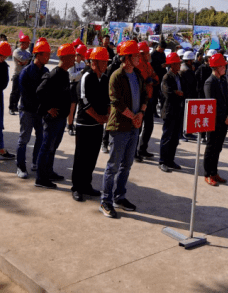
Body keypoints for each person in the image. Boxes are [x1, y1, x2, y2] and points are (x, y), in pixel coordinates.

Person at [100, 40, 145, 218]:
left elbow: (145, 96)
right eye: (135, 55)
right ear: (126, 58)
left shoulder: (138, 75)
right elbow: (116, 101)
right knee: (113, 166)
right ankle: (106, 201)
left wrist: (141, 113)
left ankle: (120, 196)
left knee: (127, 165)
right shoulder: (116, 76)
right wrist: (133, 116)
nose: (138, 58)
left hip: (134, 126)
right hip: (120, 126)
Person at [71, 46, 111, 201]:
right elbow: (84, 102)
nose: (105, 65)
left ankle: (86, 185)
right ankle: (76, 187)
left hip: (98, 126)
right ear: (94, 63)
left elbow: (108, 100)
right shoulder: (86, 77)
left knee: (92, 157)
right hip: (84, 125)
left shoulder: (105, 78)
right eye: (103, 62)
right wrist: (98, 118)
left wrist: (106, 115)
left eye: (106, 62)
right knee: (81, 157)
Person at [34, 43, 75, 188]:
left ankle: (48, 172)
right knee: (46, 147)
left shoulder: (64, 74)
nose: (75, 60)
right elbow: (40, 91)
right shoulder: (54, 74)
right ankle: (41, 178)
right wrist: (48, 108)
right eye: (73, 57)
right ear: (65, 58)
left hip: (60, 118)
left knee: (52, 147)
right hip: (52, 119)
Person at [15, 38, 51, 179]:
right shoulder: (26, 72)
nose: (48, 57)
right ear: (37, 55)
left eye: (48, 54)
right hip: (27, 110)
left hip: (40, 112)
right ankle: (20, 166)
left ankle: (36, 162)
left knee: (41, 137)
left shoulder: (46, 71)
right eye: (45, 55)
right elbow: (26, 95)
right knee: (24, 138)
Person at [202, 53, 228, 185]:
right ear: (217, 67)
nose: (225, 68)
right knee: (211, 148)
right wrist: (223, 117)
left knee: (218, 148)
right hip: (214, 121)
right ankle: (207, 174)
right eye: (223, 66)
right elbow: (212, 104)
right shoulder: (210, 82)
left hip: (223, 121)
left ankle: (214, 172)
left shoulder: (223, 80)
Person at [159, 52, 185, 172]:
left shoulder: (178, 76)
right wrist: (176, 93)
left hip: (178, 110)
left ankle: (170, 160)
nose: (179, 65)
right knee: (167, 137)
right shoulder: (167, 77)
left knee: (175, 138)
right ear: (172, 65)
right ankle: (162, 161)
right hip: (169, 111)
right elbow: (166, 93)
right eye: (177, 63)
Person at [135, 41, 159, 162]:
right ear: (141, 53)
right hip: (139, 100)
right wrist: (149, 80)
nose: (149, 54)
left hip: (148, 99)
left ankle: (142, 149)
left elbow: (155, 78)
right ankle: (134, 152)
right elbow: (145, 80)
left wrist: (151, 79)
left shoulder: (148, 65)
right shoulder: (138, 65)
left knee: (149, 125)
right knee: (138, 126)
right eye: (146, 52)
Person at [8, 35, 32, 115]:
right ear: (22, 43)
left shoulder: (28, 52)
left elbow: (28, 61)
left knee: (21, 92)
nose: (28, 45)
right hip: (17, 74)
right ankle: (11, 107)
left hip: (25, 75)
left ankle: (16, 107)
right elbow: (23, 60)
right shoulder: (16, 51)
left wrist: (25, 62)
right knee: (14, 92)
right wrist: (25, 61)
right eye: (27, 43)